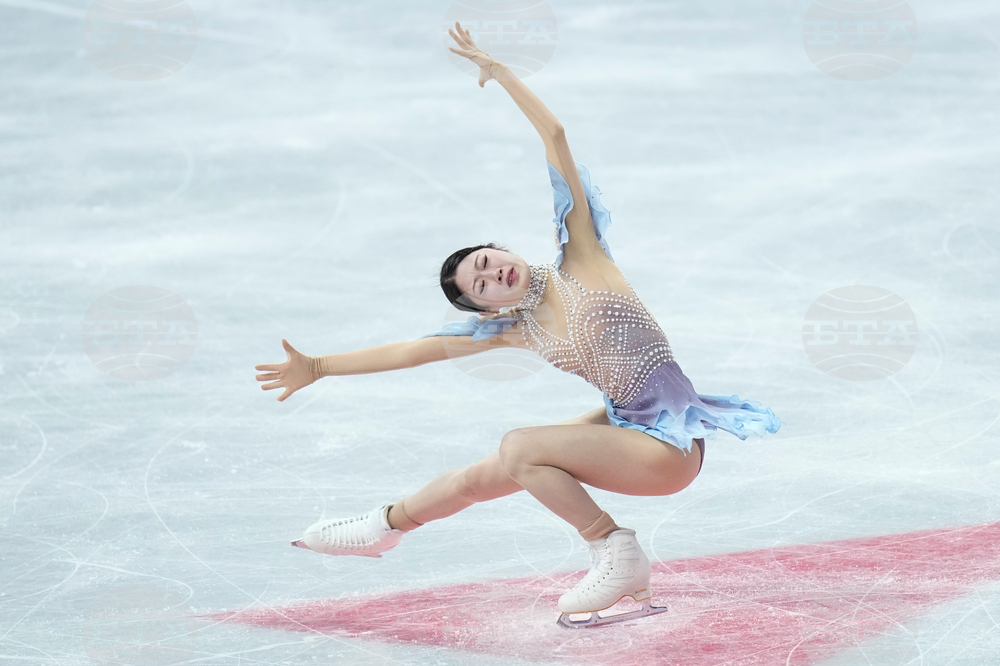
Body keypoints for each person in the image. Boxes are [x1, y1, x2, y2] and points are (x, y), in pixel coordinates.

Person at [254, 22, 781, 627]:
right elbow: (411, 352)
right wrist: (318, 367)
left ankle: (614, 549)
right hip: (634, 431)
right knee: (493, 471)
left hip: (669, 448)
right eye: (479, 287)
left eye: (485, 262)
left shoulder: (581, 255)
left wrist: (503, 74)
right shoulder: (516, 329)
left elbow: (555, 136)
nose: (490, 275)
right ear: (489, 311)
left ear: (500, 249)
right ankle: (384, 526)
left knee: (522, 447)